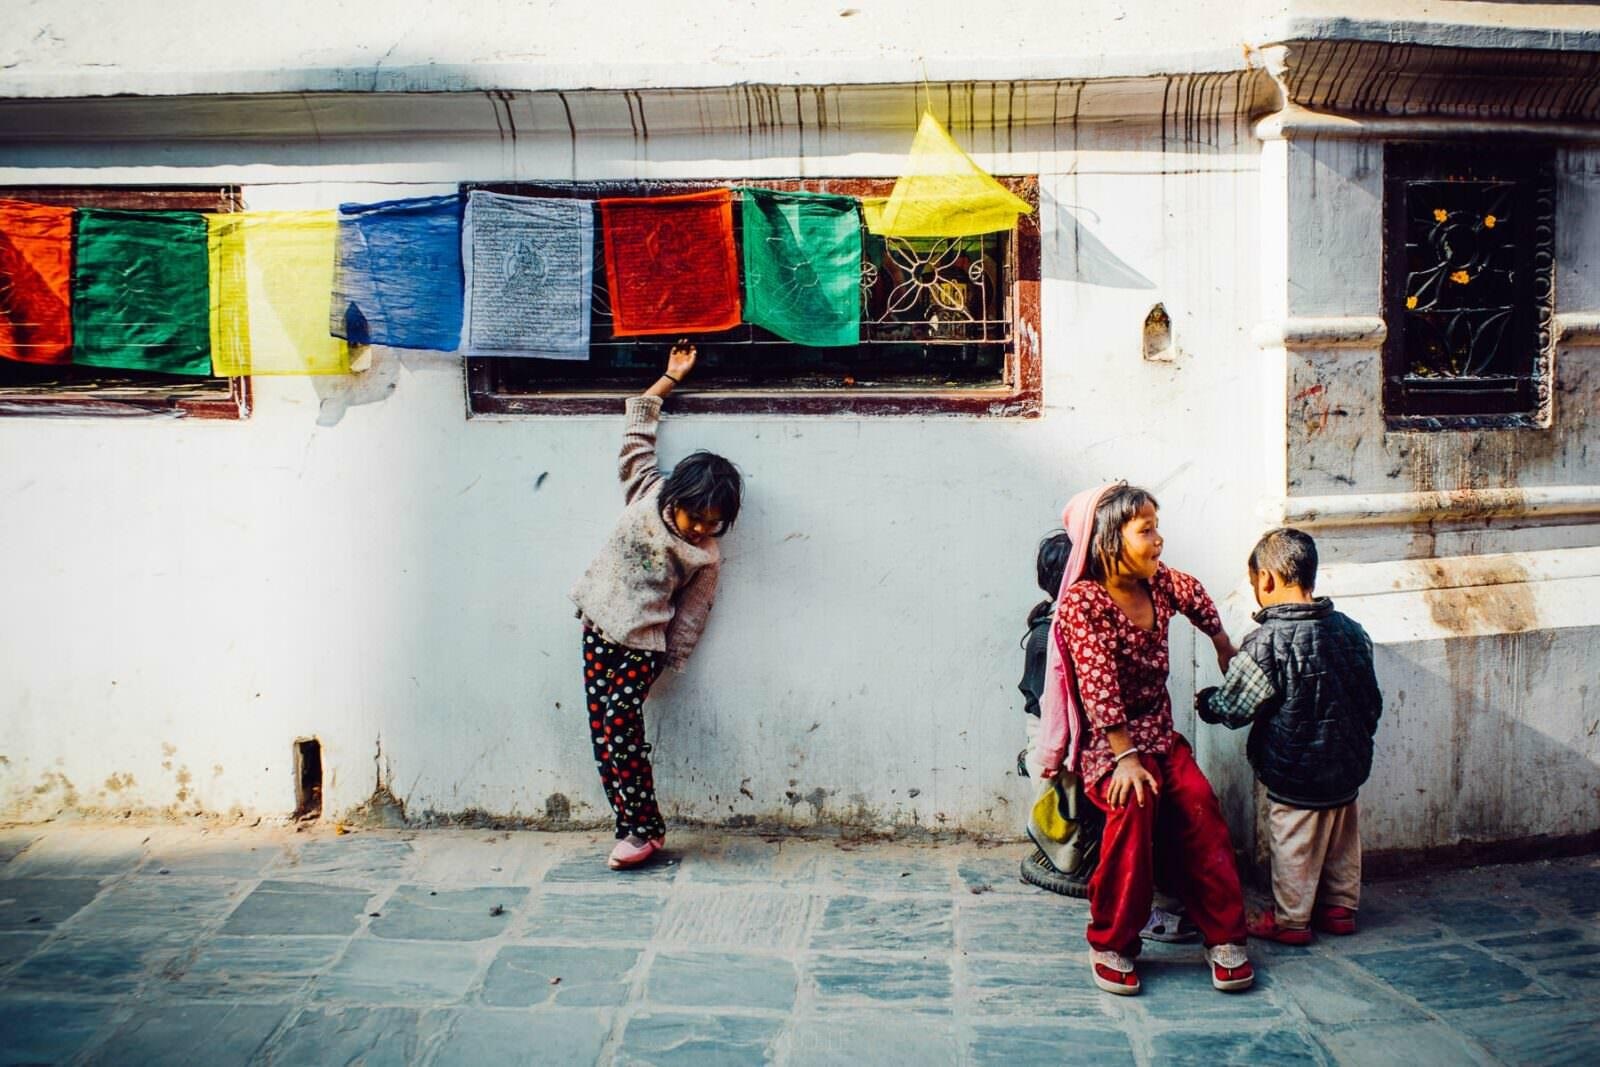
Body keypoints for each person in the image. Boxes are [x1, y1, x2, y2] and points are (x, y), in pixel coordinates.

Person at [1037, 482, 1253, 996]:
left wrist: (1222, 642)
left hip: (1157, 732)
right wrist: (1126, 759)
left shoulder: (1158, 584)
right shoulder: (1082, 605)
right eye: (1146, 531)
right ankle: (1111, 940)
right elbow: (1097, 687)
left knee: (1199, 804)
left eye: (1157, 528)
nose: (1159, 540)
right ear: (1111, 540)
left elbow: (1195, 594)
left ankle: (1224, 935)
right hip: (1108, 745)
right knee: (1133, 808)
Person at [570, 342, 743, 870]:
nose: (703, 529)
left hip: (638, 651)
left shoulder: (704, 555)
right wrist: (669, 379)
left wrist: (670, 662)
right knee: (604, 737)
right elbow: (635, 432)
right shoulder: (647, 490)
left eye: (715, 523)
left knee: (622, 736)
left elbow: (693, 614)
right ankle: (631, 825)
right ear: (678, 496)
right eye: (697, 517)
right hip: (597, 630)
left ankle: (644, 830)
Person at [1196, 527, 1383, 944]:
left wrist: (1207, 702)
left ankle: (1291, 920)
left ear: (1266, 580)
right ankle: (1340, 907)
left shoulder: (1267, 642)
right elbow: (1371, 700)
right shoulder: (1353, 631)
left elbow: (1236, 707)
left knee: (1293, 842)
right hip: (1348, 766)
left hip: (1295, 772)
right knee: (1341, 836)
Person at [1017, 531, 1198, 945]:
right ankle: (1131, 908)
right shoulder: (1057, 627)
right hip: (1066, 744)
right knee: (1108, 819)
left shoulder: (1071, 616)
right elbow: (1051, 704)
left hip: (1081, 739)